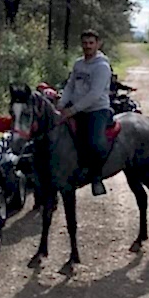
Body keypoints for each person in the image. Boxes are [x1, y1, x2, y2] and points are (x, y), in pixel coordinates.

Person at [58, 29, 113, 196]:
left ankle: (96, 177)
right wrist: (60, 105)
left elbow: (94, 94)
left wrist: (72, 110)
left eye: (91, 43)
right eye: (85, 43)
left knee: (95, 143)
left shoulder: (102, 67)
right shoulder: (78, 64)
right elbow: (70, 86)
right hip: (75, 108)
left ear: (98, 44)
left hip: (97, 110)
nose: (87, 46)